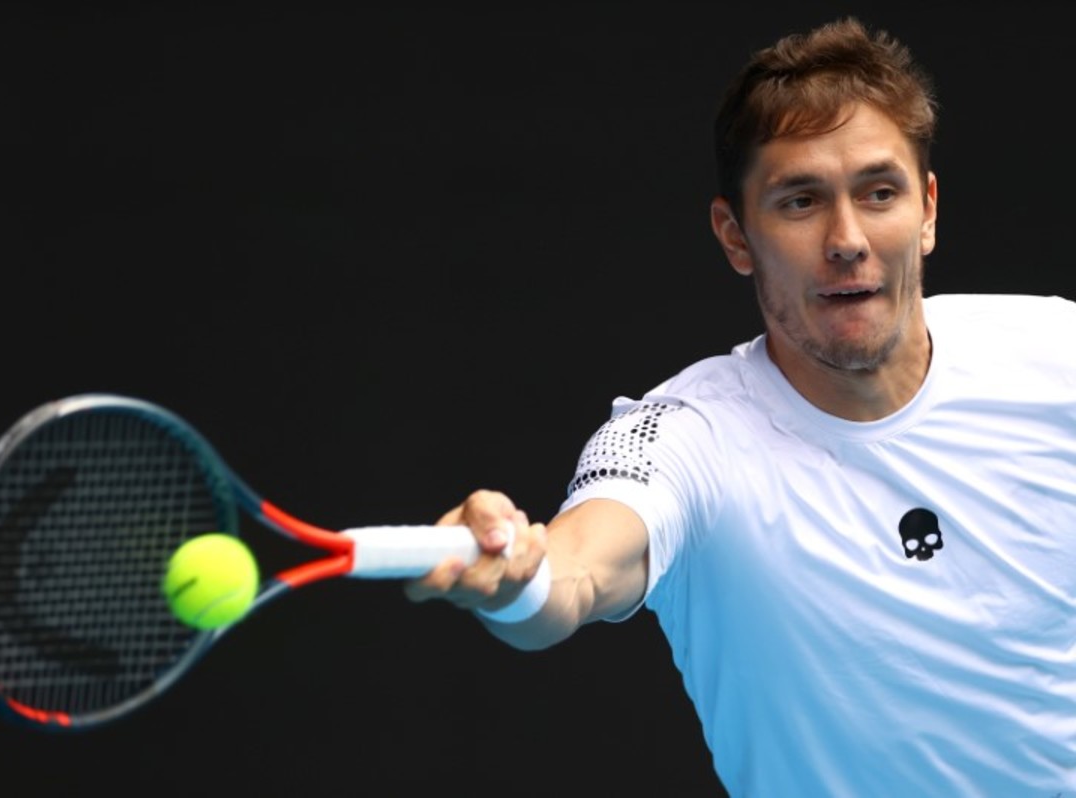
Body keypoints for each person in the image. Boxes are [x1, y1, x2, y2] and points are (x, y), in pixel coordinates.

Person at [405, 15, 1076, 796]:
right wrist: (517, 580)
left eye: (879, 192)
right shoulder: (680, 440)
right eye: (801, 202)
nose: (847, 238)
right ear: (735, 235)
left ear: (926, 210)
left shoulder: (1057, 355)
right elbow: (576, 572)